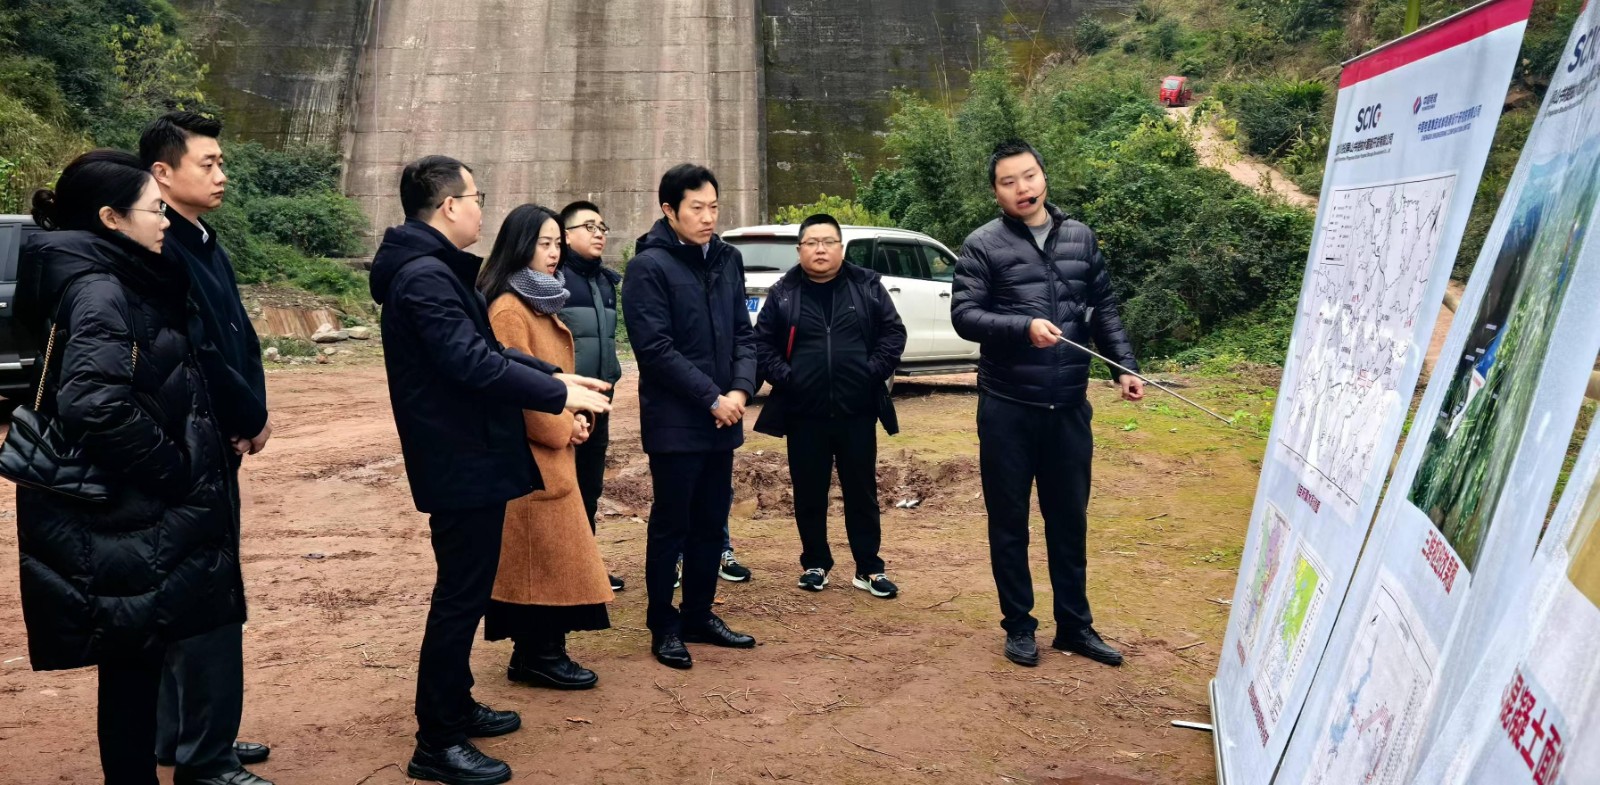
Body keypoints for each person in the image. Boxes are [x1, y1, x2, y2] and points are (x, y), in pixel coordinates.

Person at [369, 156, 612, 785]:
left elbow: (485, 350)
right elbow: (469, 364)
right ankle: (437, 740)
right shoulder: (424, 276)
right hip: (460, 459)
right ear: (450, 205)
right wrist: (557, 394)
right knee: (458, 599)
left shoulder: (436, 270)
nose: (482, 207)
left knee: (467, 593)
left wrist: (553, 376)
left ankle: (456, 704)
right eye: (476, 197)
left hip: (471, 454)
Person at [15, 150, 244, 785]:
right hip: (125, 511)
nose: (165, 221)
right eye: (154, 210)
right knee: (130, 670)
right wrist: (174, 469)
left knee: (133, 665)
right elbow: (94, 404)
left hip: (129, 513)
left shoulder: (115, 275)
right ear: (111, 218)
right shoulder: (101, 288)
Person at [951, 140, 1144, 669]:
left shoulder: (1080, 236)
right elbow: (965, 316)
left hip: (1069, 407)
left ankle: (1075, 626)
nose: (1023, 188)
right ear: (996, 192)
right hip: (1007, 407)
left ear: (1044, 176)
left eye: (1029, 175)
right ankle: (1019, 625)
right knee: (1009, 522)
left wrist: (1123, 366)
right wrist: (1023, 327)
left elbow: (1103, 307)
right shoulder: (982, 245)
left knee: (1068, 521)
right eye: (1009, 181)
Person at [139, 111, 275, 785]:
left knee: (192, 590)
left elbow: (238, 335)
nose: (222, 175)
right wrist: (248, 414)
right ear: (162, 173)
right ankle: (206, 758)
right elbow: (201, 350)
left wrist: (252, 409)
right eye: (208, 163)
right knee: (207, 596)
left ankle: (180, 736)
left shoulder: (200, 239)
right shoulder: (164, 247)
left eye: (222, 162)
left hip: (213, 437)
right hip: (192, 443)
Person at [622, 163, 759, 670]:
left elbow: (744, 334)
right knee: (671, 526)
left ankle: (699, 615)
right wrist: (712, 398)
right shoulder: (649, 268)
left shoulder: (727, 258)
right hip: (677, 422)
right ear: (669, 210)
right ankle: (664, 625)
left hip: (724, 417)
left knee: (710, 523)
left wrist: (740, 390)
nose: (707, 217)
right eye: (696, 208)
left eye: (714, 207)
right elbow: (655, 349)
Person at [479, 204, 615, 690]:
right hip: (530, 456)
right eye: (544, 243)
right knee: (539, 561)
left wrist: (574, 420)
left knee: (551, 559)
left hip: (551, 451)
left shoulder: (540, 299)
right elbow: (514, 386)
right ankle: (538, 655)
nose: (554, 252)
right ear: (519, 246)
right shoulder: (509, 307)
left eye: (557, 242)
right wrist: (563, 426)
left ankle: (542, 652)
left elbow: (553, 379)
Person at [753, 213, 907, 598]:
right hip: (804, 414)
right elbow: (762, 344)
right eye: (811, 243)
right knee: (809, 492)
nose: (820, 249)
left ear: (841, 247)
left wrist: (870, 372)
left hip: (857, 411)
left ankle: (869, 568)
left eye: (828, 242)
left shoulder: (867, 286)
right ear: (799, 250)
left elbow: (893, 333)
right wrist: (787, 378)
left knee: (862, 492)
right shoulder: (784, 293)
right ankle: (815, 563)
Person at [557, 200, 625, 592]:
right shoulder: (554, 279)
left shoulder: (604, 282)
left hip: (601, 400)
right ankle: (562, 569)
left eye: (602, 227)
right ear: (566, 236)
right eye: (589, 227)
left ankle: (585, 564)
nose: (599, 233)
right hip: (565, 402)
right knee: (561, 486)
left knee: (590, 486)